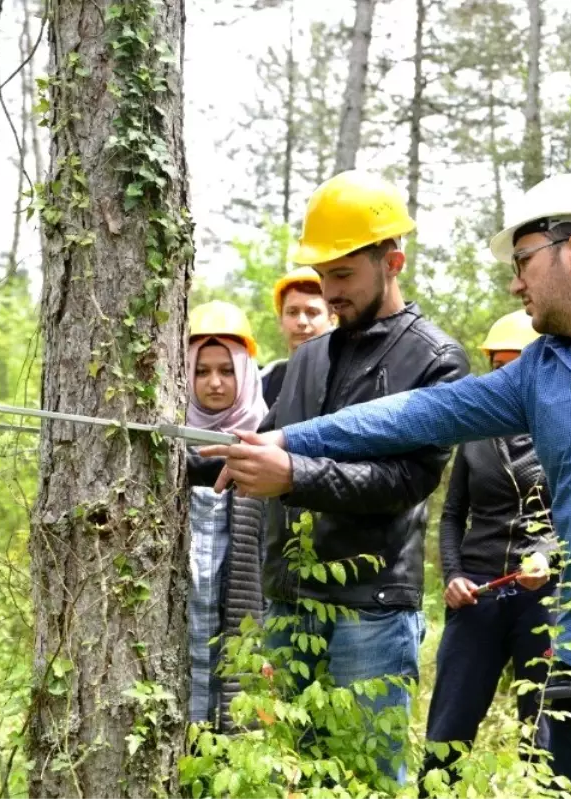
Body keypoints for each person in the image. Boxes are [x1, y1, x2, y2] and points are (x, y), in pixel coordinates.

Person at [205, 173, 571, 798]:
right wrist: (288, 439)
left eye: (523, 261)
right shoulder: (535, 376)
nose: (515, 281)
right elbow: (414, 414)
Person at [204, 170, 470, 782]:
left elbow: (404, 482)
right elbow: (268, 438)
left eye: (343, 275)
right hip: (289, 602)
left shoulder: (435, 361)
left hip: (371, 612)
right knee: (291, 777)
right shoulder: (310, 356)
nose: (328, 291)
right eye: (323, 274)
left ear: (392, 261)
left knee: (368, 778)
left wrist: (292, 475)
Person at [421, 309, 552, 790]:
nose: (506, 375)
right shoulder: (474, 433)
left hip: (543, 597)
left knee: (545, 732)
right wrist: (453, 575)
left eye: (515, 364)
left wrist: (550, 556)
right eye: (497, 365)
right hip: (476, 592)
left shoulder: (563, 429)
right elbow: (453, 514)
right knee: (448, 728)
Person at [183, 301, 268, 730]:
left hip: (243, 627)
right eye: (201, 370)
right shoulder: (163, 438)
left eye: (227, 370)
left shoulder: (271, 439)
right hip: (184, 630)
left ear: (246, 371)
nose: (214, 383)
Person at [261, 266, 333, 408]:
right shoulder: (264, 382)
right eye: (292, 312)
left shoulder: (347, 379)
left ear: (332, 319)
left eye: (312, 312)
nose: (301, 322)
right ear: (280, 321)